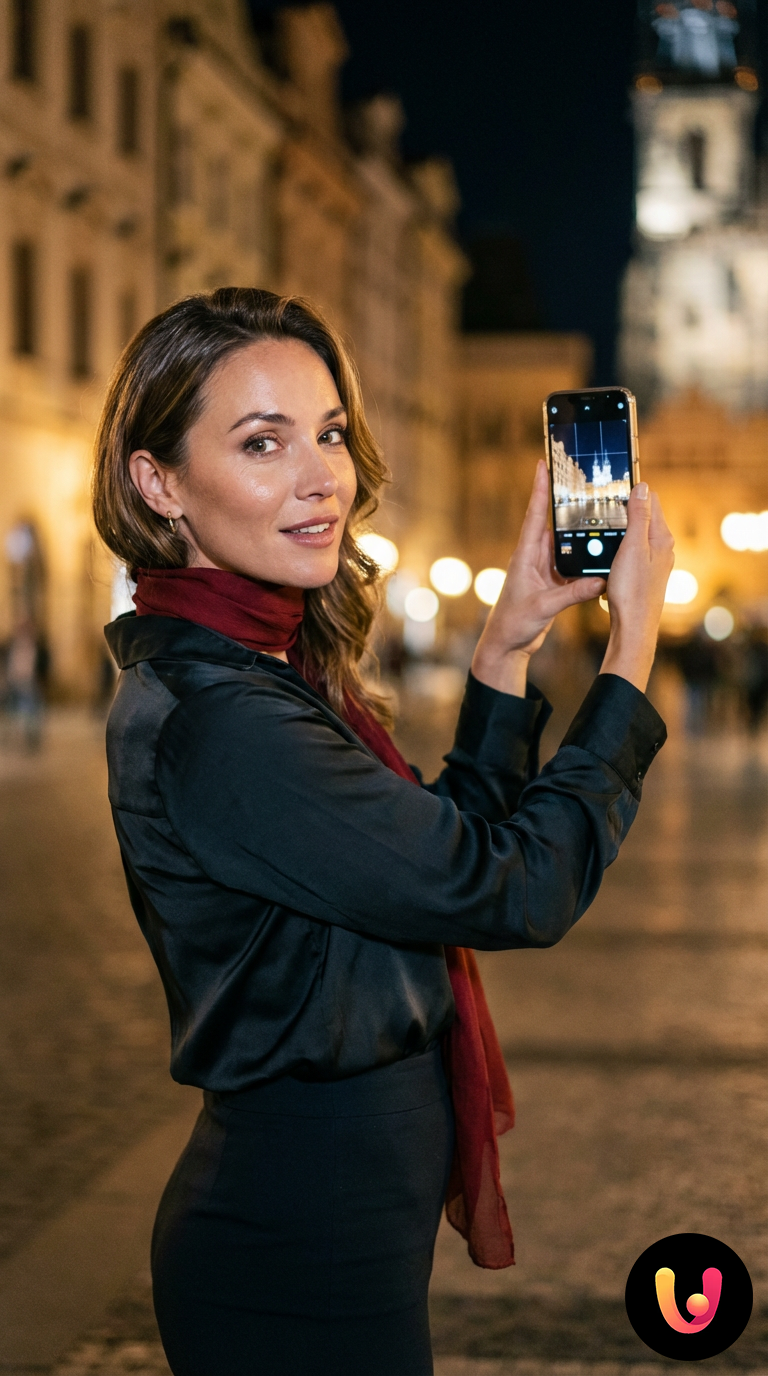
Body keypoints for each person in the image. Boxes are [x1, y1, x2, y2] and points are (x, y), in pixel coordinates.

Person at [92, 288, 673, 1376]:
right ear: (157, 479)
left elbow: (433, 850)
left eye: (328, 433)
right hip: (291, 1257)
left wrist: (505, 647)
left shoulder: (255, 665)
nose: (323, 477)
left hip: (331, 1233)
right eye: (262, 442)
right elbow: (510, 886)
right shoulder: (222, 719)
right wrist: (631, 649)